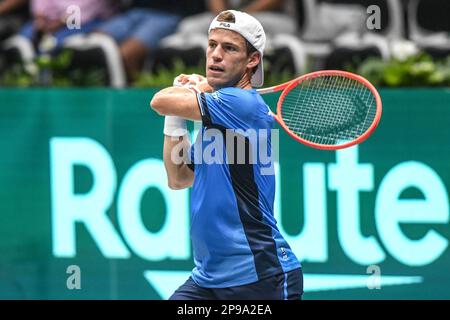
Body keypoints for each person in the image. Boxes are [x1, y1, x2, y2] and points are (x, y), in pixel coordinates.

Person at [150, 10, 303, 300]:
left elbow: (159, 100)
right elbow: (178, 177)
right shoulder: (218, 116)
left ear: (252, 60)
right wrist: (177, 114)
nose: (215, 55)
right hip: (208, 280)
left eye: (229, 48)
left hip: (260, 277)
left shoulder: (241, 103)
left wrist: (194, 89)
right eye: (212, 45)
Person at [96, 0, 205, 83]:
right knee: (93, 43)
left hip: (167, 14)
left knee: (127, 54)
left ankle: (135, 96)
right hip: (133, 12)